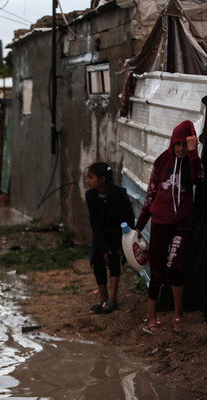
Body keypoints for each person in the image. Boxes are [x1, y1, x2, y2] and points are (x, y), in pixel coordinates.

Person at [134, 120, 204, 334]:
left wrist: (193, 153)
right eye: (178, 144)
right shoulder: (162, 161)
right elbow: (151, 193)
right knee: (157, 271)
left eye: (185, 144)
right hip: (159, 223)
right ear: (172, 143)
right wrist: (140, 225)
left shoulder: (193, 161)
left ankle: (177, 314)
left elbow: (198, 179)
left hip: (181, 225)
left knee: (176, 267)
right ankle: (151, 317)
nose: (181, 148)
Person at [85, 162, 135, 314]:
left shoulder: (119, 193)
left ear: (102, 179)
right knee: (97, 262)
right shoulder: (90, 196)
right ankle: (103, 299)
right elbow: (95, 223)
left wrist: (119, 244)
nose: (87, 180)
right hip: (100, 234)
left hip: (118, 232)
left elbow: (128, 218)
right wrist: (103, 247)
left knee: (114, 259)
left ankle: (113, 299)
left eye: (90, 177)